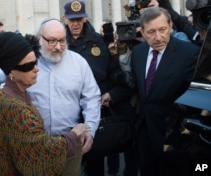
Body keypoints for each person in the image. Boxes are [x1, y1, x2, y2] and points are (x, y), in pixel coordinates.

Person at [0, 31, 91, 175]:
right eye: (28, 66)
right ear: (11, 71)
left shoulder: (17, 94)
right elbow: (39, 153)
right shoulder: (12, 106)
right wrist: (74, 135)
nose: (36, 69)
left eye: (36, 62)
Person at [63, 1, 136, 176]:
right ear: (65, 19)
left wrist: (111, 94)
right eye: (71, 19)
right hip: (69, 114)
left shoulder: (98, 41)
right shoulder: (59, 43)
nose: (75, 24)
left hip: (96, 112)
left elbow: (113, 73)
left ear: (85, 18)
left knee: (96, 157)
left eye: (79, 19)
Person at [130, 7, 200, 176]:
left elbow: (195, 99)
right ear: (142, 32)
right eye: (151, 32)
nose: (158, 37)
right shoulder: (138, 53)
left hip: (175, 140)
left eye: (162, 30)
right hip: (145, 136)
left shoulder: (189, 53)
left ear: (170, 26)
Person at [27, 18, 101, 176]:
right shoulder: (27, 63)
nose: (58, 47)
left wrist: (90, 128)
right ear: (39, 38)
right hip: (35, 144)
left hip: (71, 143)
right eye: (52, 41)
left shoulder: (79, 63)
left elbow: (92, 98)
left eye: (62, 40)